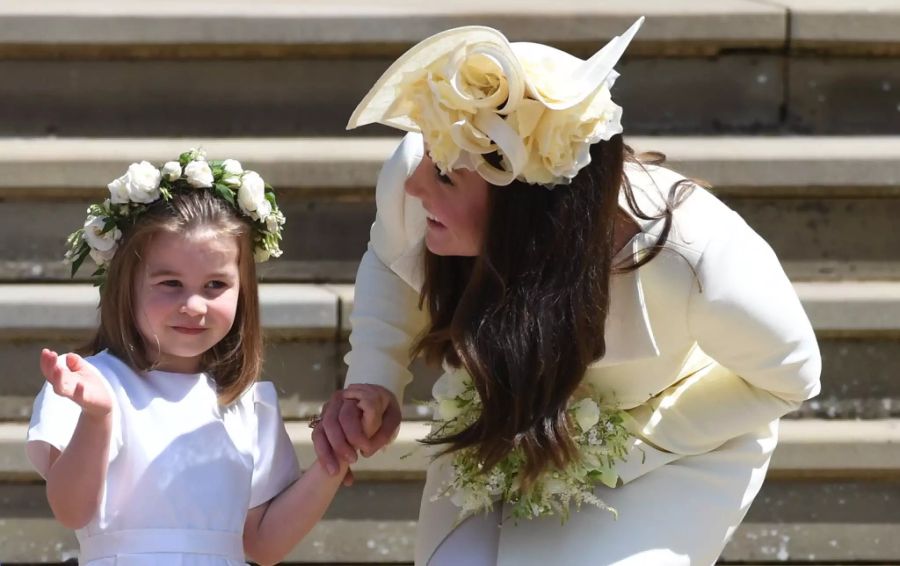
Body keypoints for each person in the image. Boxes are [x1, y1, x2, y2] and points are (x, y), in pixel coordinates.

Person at [312, 18, 822, 566]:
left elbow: (792, 378)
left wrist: (617, 448)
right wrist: (374, 376)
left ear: (524, 207)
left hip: (672, 447)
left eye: (444, 177)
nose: (415, 186)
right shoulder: (417, 174)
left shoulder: (696, 257)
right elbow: (391, 264)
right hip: (508, 414)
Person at [25, 150, 382, 565]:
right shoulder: (89, 386)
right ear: (127, 284)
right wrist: (97, 417)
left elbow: (263, 543)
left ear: (242, 290)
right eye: (170, 283)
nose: (193, 305)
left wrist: (332, 462)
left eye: (215, 285)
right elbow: (71, 509)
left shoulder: (246, 402)